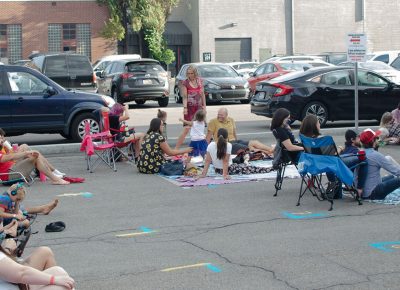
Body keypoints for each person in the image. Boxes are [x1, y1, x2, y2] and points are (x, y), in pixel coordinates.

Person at [300, 115, 367, 197]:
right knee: (363, 159)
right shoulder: (321, 140)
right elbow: (333, 156)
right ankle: (359, 188)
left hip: (316, 165)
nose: (319, 124)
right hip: (332, 163)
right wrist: (339, 149)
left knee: (339, 159)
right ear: (314, 126)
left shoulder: (306, 139)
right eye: (318, 123)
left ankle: (336, 189)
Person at [198, 128, 273, 180]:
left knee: (244, 166)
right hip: (230, 169)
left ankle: (270, 168)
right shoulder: (228, 145)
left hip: (217, 170)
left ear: (216, 136)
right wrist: (225, 175)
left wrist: (203, 174)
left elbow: (207, 161)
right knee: (253, 169)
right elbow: (225, 161)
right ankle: (271, 168)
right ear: (227, 137)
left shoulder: (211, 145)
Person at [0, 129, 69, 185]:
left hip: (12, 169)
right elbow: (8, 158)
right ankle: (55, 178)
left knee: (29, 150)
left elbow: (9, 157)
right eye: (0, 138)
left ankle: (54, 173)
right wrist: (26, 153)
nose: (2, 140)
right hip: (9, 175)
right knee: (34, 157)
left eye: (2, 138)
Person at [0, 245, 75, 289]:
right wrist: (53, 280)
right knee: (62, 285)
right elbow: (21, 274)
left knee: (46, 253)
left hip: (13, 283)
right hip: (16, 281)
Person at [206, 108, 274, 155]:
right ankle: (268, 153)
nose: (219, 116)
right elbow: (208, 138)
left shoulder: (231, 120)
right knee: (250, 148)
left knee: (254, 142)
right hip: (224, 144)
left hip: (234, 141)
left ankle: (271, 149)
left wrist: (237, 141)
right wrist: (207, 150)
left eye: (221, 115)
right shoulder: (213, 122)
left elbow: (234, 133)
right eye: (218, 114)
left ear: (226, 115)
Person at [360, 128, 400, 200]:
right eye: (376, 138)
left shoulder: (360, 153)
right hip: (373, 193)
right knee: (396, 177)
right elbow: (396, 171)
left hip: (363, 191)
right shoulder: (375, 155)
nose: (377, 140)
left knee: (391, 177)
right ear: (372, 141)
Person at [175, 65, 207, 149]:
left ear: (195, 73)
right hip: (190, 109)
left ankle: (202, 149)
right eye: (188, 73)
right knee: (186, 129)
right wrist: (185, 108)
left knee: (200, 129)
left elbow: (203, 94)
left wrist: (204, 107)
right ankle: (176, 149)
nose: (190, 75)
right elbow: (185, 97)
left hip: (199, 109)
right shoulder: (185, 83)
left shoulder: (200, 81)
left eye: (191, 73)